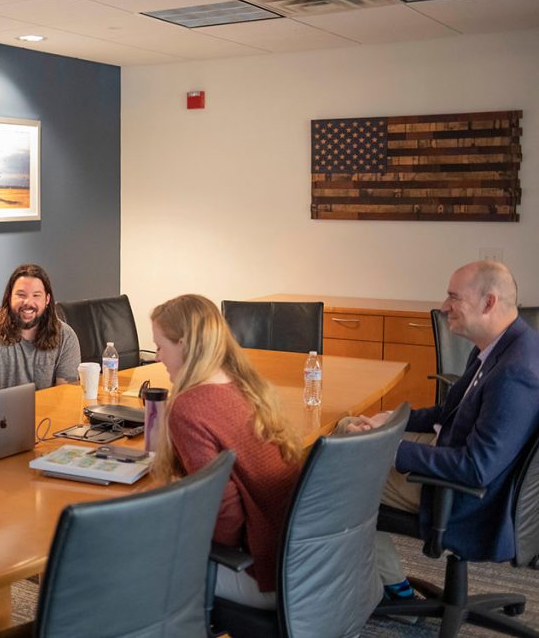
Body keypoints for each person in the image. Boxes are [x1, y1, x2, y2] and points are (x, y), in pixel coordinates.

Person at [343, 261, 539, 600]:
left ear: (488, 303)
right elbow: (451, 413)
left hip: (462, 496)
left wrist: (387, 448)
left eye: (453, 297)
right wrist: (392, 422)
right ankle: (385, 580)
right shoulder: (499, 347)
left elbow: (476, 468)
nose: (444, 306)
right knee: (346, 433)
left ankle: (390, 587)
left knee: (332, 479)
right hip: (449, 455)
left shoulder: (515, 372)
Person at [149, 294, 301, 609]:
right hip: (302, 560)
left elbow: (224, 517)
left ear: (185, 345)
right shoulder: (244, 383)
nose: (157, 357)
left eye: (161, 346)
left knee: (135, 559)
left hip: (263, 574)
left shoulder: (189, 407)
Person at [0, 263, 81, 395]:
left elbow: (65, 396)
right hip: (3, 414)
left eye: (36, 295)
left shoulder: (66, 337)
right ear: (9, 297)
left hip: (49, 414)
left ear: (47, 299)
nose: (28, 302)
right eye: (21, 295)